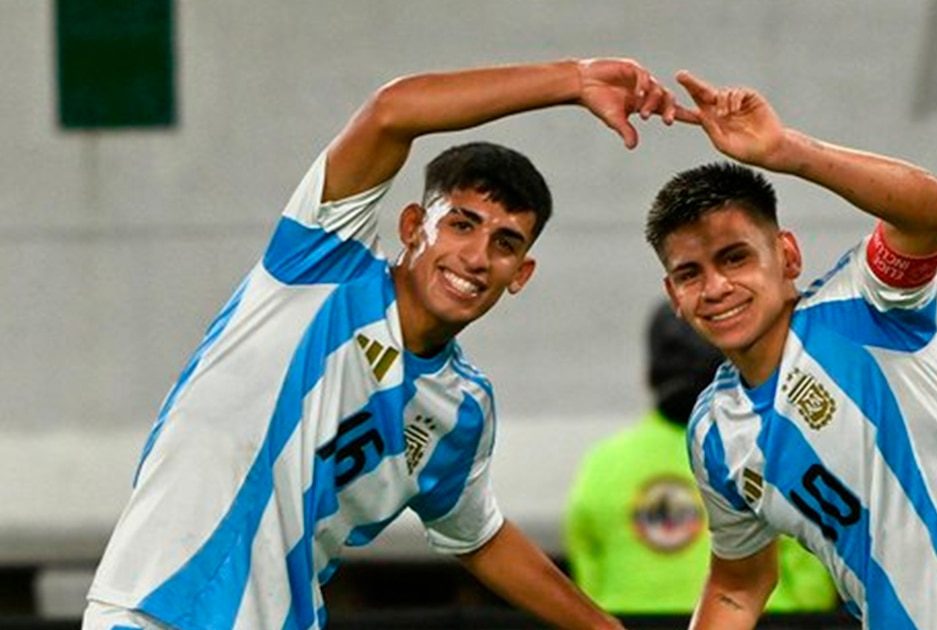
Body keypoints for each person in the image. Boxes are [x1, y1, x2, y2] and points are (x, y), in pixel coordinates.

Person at [83, 58, 681, 630]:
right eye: (462, 224)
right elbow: (393, 110)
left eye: (505, 243)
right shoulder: (324, 262)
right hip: (152, 611)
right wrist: (572, 80)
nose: (476, 257)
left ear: (520, 274)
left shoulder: (460, 410)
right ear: (413, 226)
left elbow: (480, 537)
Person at [642, 70, 937, 629]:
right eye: (691, 273)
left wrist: (786, 150)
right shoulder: (716, 433)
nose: (716, 287)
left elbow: (928, 209)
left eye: (735, 258)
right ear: (674, 294)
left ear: (787, 255)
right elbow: (739, 583)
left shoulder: (865, 306)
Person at [563, 300, 839, 615]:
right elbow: (812, 593)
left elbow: (589, 588)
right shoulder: (777, 456)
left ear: (649, 372)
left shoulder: (602, 465)